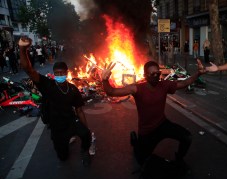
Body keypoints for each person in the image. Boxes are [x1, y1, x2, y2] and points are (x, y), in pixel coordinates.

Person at [101, 60, 206, 166]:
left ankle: (179, 159)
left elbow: (183, 83)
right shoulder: (137, 88)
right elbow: (112, 92)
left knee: (187, 137)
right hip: (147, 131)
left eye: (158, 73)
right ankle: (135, 142)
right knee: (141, 160)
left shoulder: (164, 85)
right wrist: (105, 80)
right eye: (152, 74)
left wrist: (198, 73)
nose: (156, 76)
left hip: (162, 124)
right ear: (145, 75)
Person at [18, 37, 92, 166]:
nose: (59, 75)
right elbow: (28, 69)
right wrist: (22, 49)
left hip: (71, 121)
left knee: (86, 135)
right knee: (63, 157)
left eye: (62, 73)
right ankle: (63, 146)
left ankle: (84, 151)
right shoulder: (47, 84)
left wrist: (85, 127)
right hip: (57, 126)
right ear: (53, 74)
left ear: (66, 73)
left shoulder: (73, 89)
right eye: (57, 73)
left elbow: (79, 110)